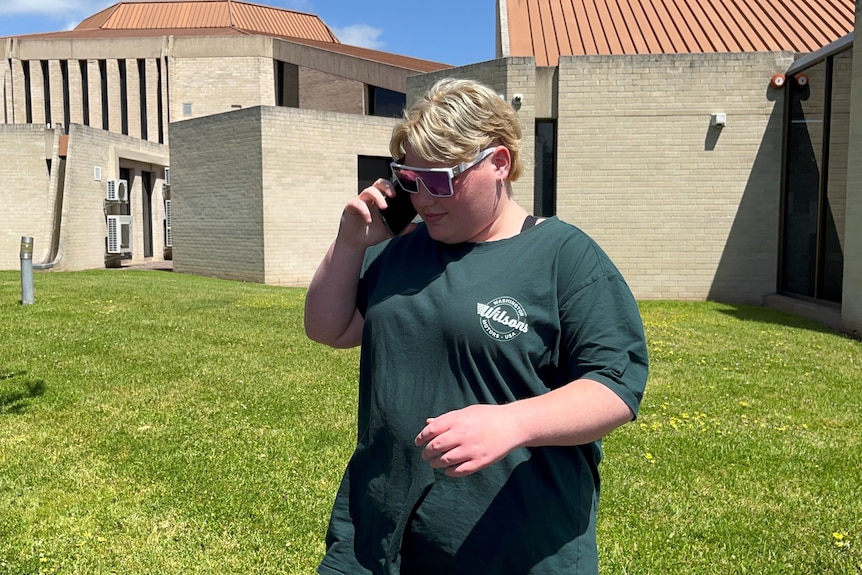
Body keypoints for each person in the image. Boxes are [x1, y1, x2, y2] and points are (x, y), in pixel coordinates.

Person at [304, 78, 648, 575]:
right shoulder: (401, 248)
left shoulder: (563, 256)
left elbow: (616, 386)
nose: (423, 198)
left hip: (512, 545)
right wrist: (350, 243)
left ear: (499, 163)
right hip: (377, 533)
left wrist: (514, 422)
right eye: (409, 179)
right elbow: (329, 329)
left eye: (441, 179)